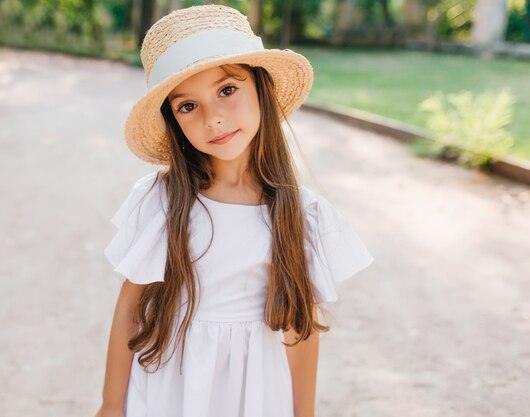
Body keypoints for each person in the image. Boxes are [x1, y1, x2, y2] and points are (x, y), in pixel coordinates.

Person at [95, 5, 374, 417]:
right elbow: (131, 307)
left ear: (261, 89)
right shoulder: (163, 200)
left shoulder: (302, 214)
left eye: (227, 90)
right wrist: (110, 406)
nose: (213, 119)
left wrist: (305, 413)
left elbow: (299, 328)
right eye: (187, 106)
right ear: (173, 121)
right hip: (171, 385)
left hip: (256, 390)